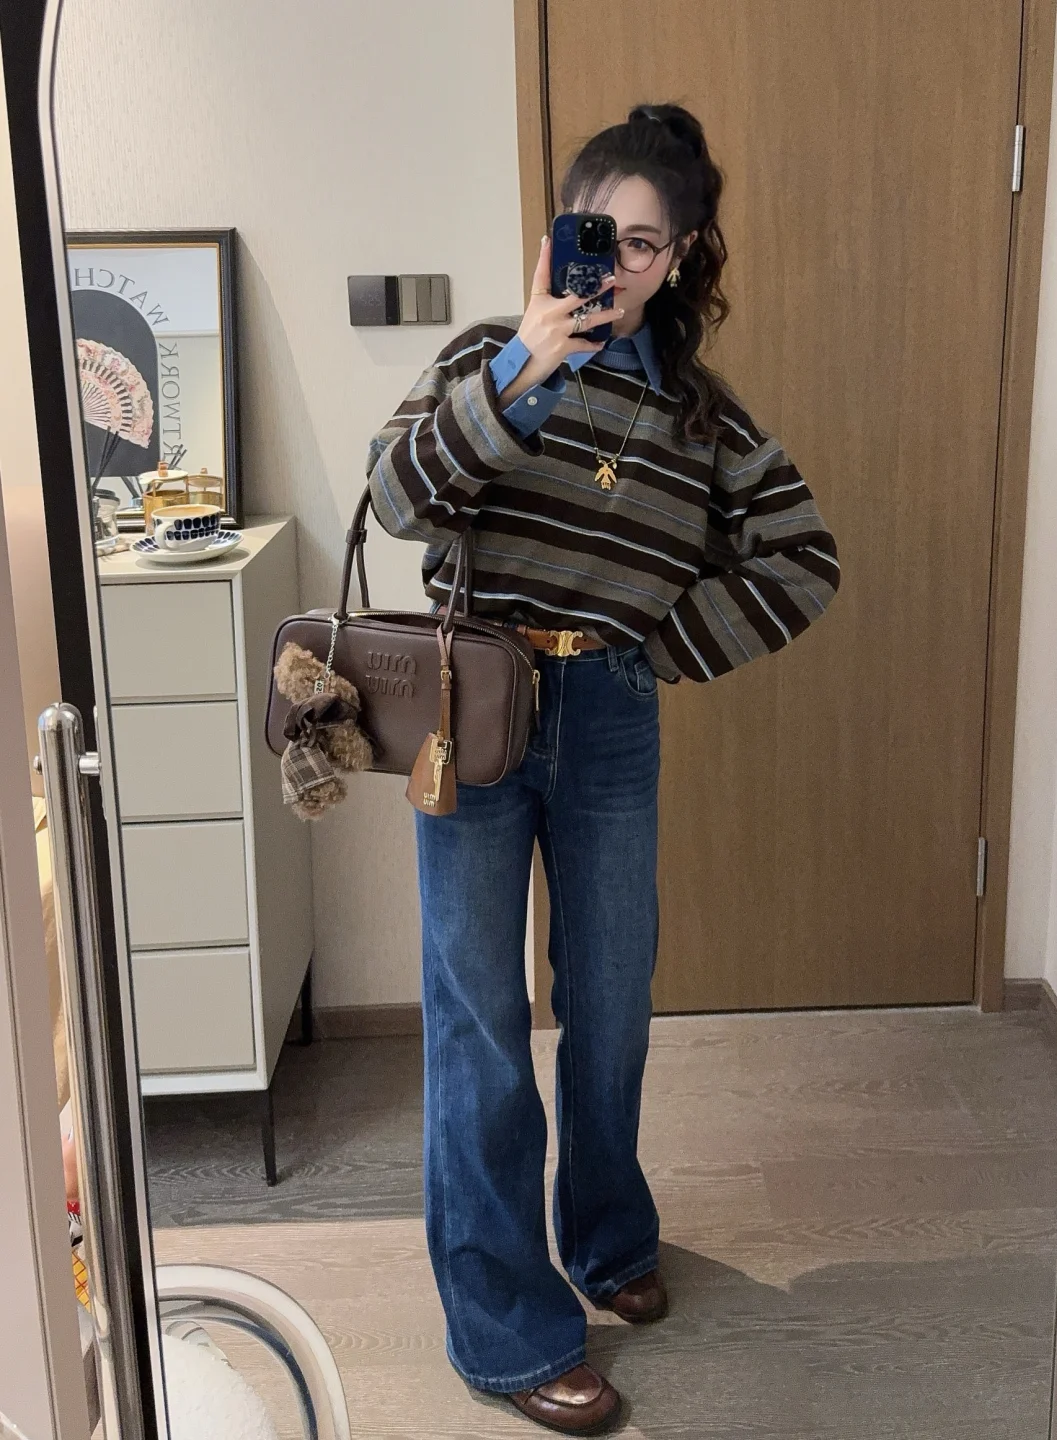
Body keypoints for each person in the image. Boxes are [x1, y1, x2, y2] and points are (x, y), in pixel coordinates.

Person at [366, 103, 840, 1435]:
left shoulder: (703, 418)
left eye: (643, 244)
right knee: (479, 1025)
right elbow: (397, 499)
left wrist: (657, 647)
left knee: (614, 1006)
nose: (615, 264)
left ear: (680, 258)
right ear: (554, 237)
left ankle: (608, 1235)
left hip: (611, 718)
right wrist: (523, 363)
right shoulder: (486, 359)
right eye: (595, 234)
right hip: (473, 707)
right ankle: (506, 1331)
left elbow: (804, 558)